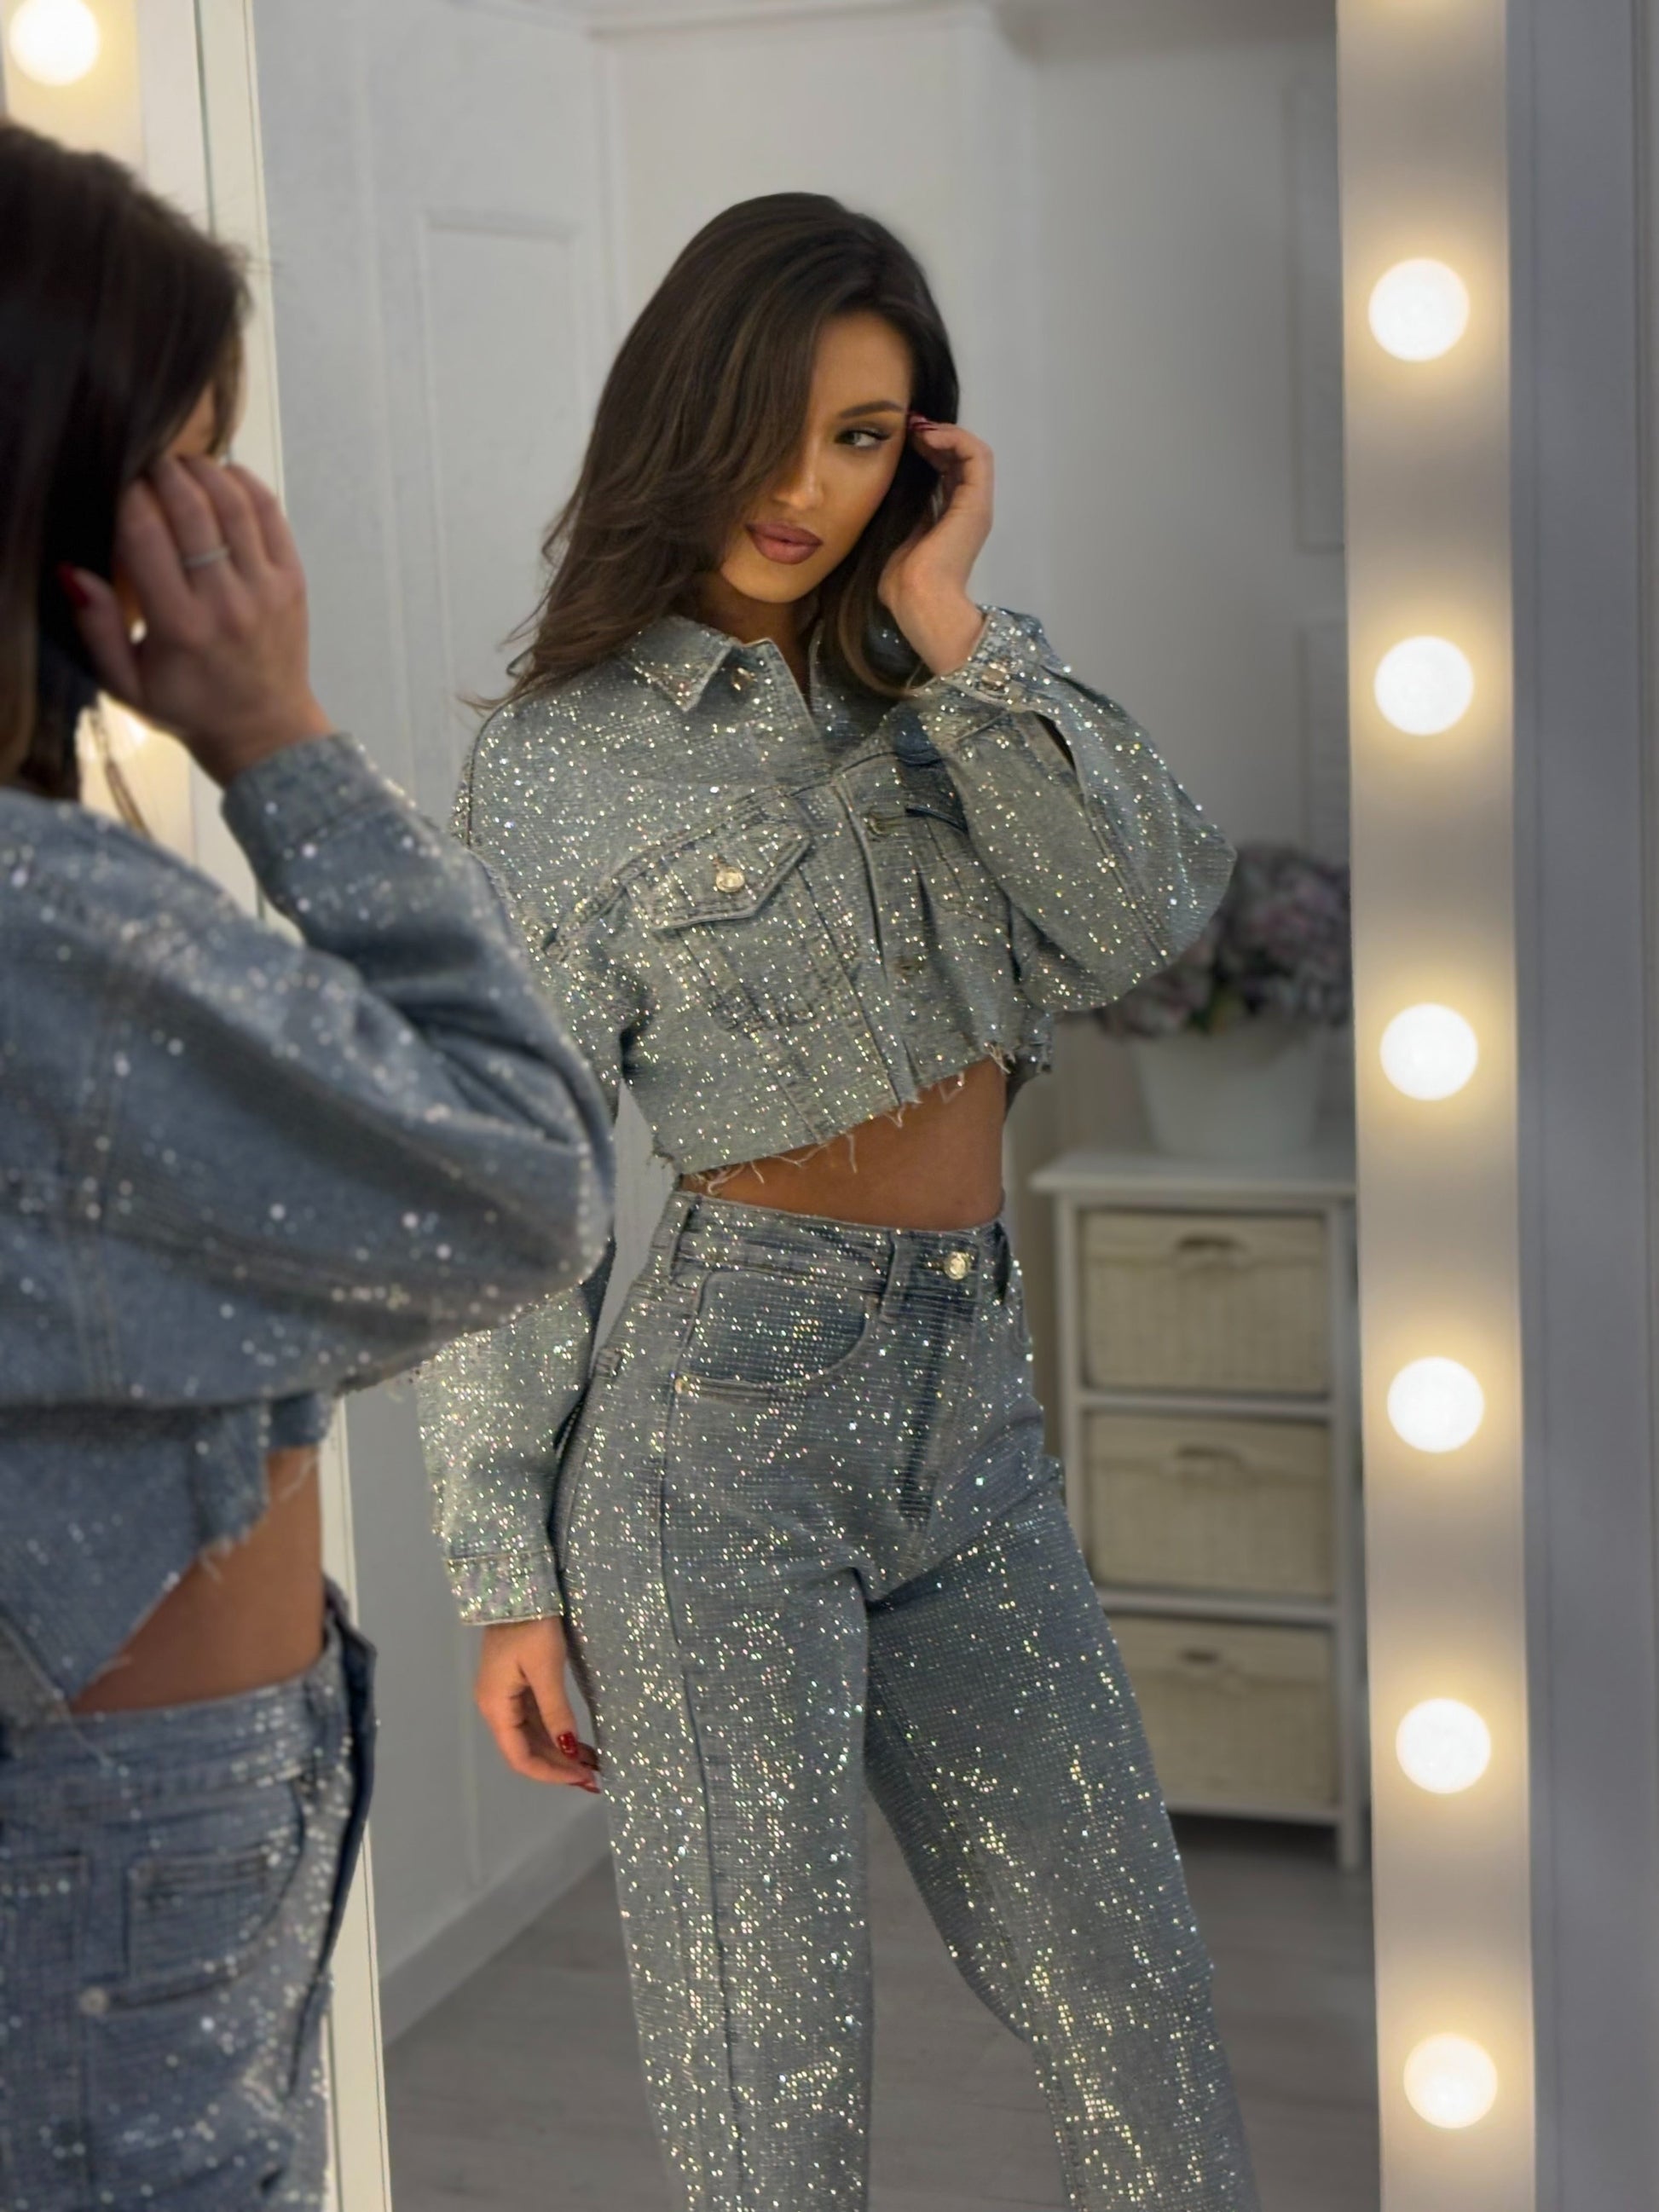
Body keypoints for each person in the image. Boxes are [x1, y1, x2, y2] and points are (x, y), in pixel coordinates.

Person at [419, 193, 1258, 2210]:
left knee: (1139, 2011)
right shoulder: (560, 762)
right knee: (769, 2088)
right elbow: (517, 1172)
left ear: (924, 456)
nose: (806, 487)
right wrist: (504, 1566)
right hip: (719, 1436)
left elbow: (1147, 911)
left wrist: (955, 623)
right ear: (681, 416)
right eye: (774, 427)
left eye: (864, 437)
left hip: (972, 1412)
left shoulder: (950, 693)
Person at [0, 120, 612, 2208]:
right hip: (102, 1841)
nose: (219, 528)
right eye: (183, 470)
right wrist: (277, 735)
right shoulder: (58, 927)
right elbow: (524, 1176)